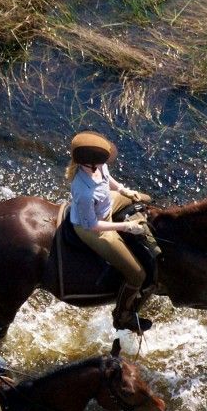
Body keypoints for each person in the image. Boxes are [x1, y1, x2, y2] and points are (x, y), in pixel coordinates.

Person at [67, 130, 158, 334]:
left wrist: (123, 190)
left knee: (145, 199)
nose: (105, 162)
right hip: (93, 228)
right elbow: (92, 225)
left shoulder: (97, 165)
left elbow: (107, 178)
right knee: (137, 274)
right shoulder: (83, 192)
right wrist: (126, 227)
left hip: (108, 204)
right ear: (89, 163)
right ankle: (123, 316)